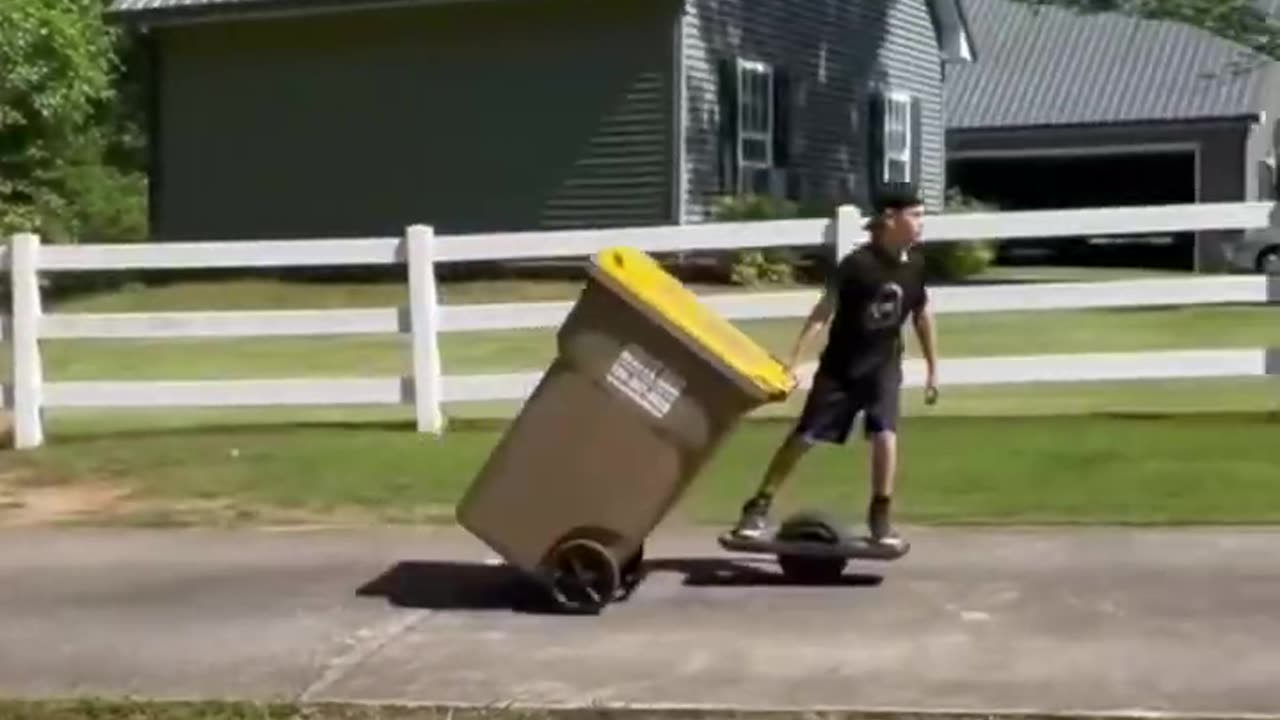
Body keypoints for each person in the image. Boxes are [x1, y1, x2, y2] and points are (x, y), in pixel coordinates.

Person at [730, 187, 939, 549]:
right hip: (841, 368)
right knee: (805, 437)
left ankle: (880, 516)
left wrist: (934, 367)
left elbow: (922, 313)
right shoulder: (858, 265)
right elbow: (824, 311)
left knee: (885, 434)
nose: (921, 223)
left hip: (883, 366)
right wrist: (794, 357)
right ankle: (757, 506)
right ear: (891, 218)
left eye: (922, 216)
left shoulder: (916, 265)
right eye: (915, 215)